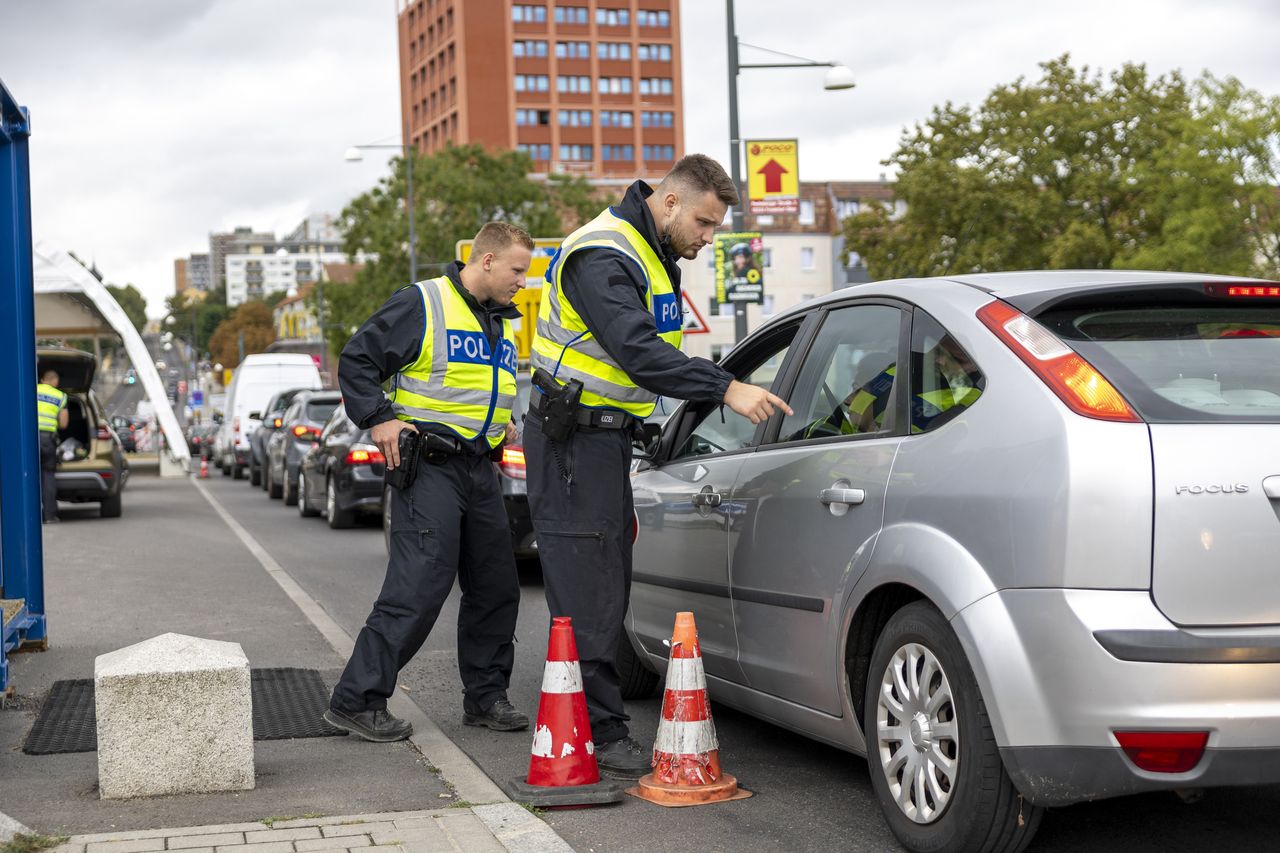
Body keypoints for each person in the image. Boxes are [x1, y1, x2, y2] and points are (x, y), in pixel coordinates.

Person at [525, 154, 792, 777]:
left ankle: (593, 721)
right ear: (669, 203)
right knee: (588, 589)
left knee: (605, 578)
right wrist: (725, 388)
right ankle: (595, 732)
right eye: (703, 222)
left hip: (605, 439)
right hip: (572, 442)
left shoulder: (650, 254)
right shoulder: (604, 253)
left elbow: (637, 367)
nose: (708, 237)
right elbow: (639, 352)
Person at [324, 222, 534, 743]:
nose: (521, 282)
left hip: (479, 467)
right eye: (517, 270)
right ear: (486, 261)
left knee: (496, 588)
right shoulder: (425, 302)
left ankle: (486, 698)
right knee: (418, 587)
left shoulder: (500, 322)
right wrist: (379, 417)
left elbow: (480, 384)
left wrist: (498, 418)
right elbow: (357, 361)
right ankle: (357, 699)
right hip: (430, 469)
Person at [36, 369, 68, 523]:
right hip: (48, 440)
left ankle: (29, 516)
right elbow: (63, 423)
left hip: (29, 440)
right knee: (47, 475)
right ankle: (49, 516)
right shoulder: (60, 396)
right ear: (55, 381)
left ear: (42, 379)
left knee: (27, 474)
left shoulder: (31, 390)